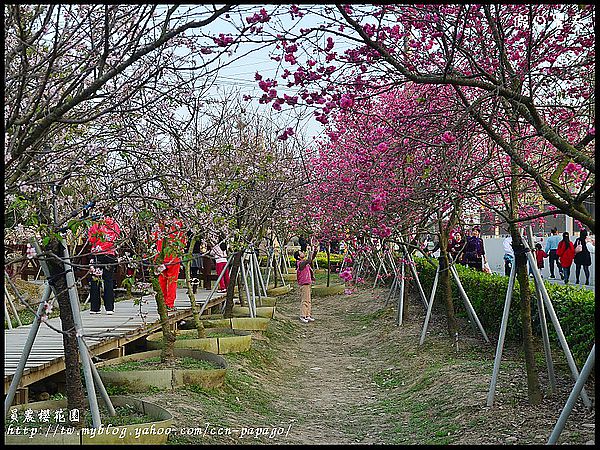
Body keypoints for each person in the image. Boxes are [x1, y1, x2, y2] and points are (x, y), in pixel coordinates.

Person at [88, 215, 121, 315]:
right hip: (110, 254)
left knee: (95, 281)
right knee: (109, 280)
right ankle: (109, 308)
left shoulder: (96, 225)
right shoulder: (114, 225)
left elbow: (91, 240)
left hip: (97, 254)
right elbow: (117, 238)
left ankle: (95, 308)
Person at [154, 219, 186, 310]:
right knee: (172, 281)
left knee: (161, 281)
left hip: (160, 256)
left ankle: (162, 303)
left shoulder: (160, 223)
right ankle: (169, 303)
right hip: (173, 257)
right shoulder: (179, 224)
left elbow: (154, 238)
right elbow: (183, 242)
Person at [294, 240, 318, 323]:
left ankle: (308, 315)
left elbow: (311, 259)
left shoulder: (304, 263)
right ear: (298, 257)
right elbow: (308, 260)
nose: (303, 253)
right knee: (305, 300)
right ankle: (303, 315)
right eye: (301, 253)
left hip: (308, 283)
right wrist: (310, 249)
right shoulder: (300, 264)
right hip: (304, 284)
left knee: (308, 300)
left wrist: (315, 250)